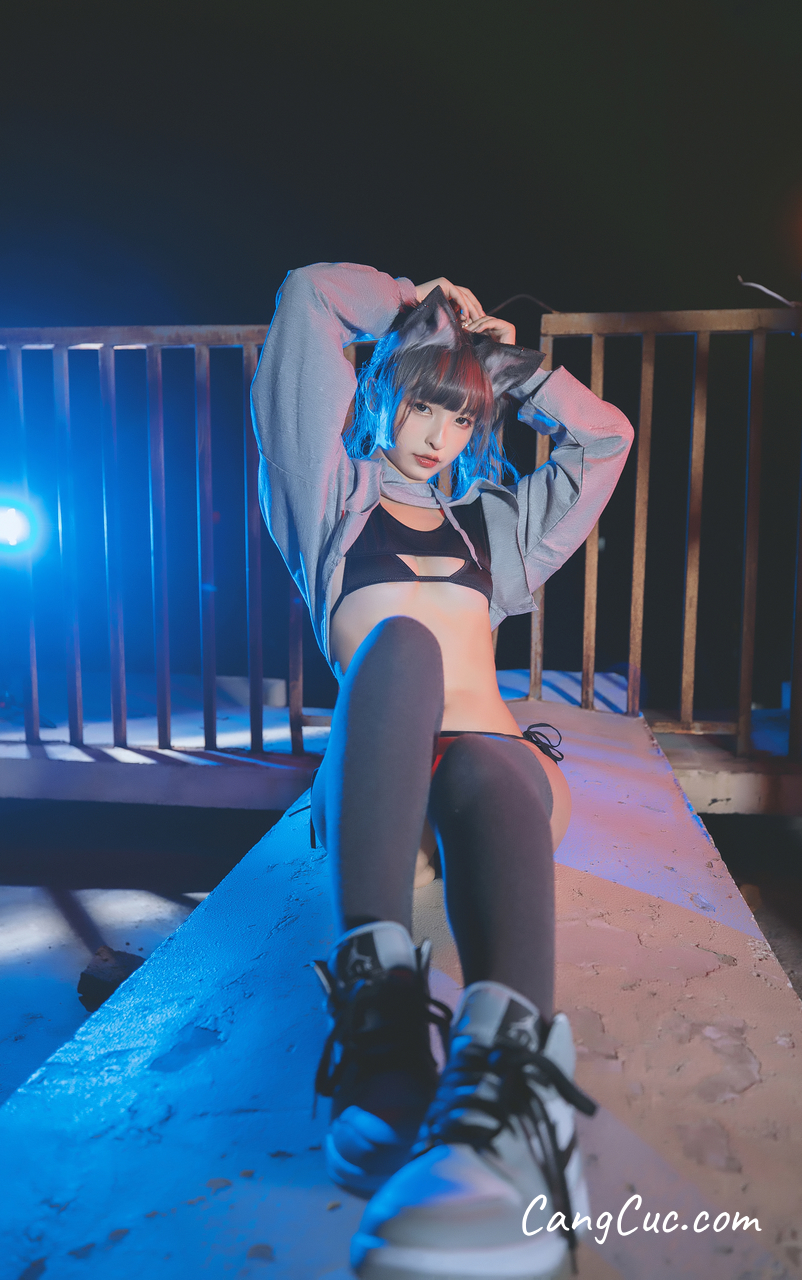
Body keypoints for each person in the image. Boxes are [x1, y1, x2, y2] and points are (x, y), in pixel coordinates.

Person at [252, 263, 633, 1280]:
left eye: (461, 416)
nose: (437, 434)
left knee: (494, 760)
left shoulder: (492, 529)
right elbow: (308, 296)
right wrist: (423, 312)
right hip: (382, 790)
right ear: (381, 393)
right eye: (422, 404)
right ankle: (381, 1021)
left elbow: (605, 438)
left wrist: (509, 369)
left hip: (490, 782)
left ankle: (508, 1100)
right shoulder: (328, 505)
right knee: (404, 646)